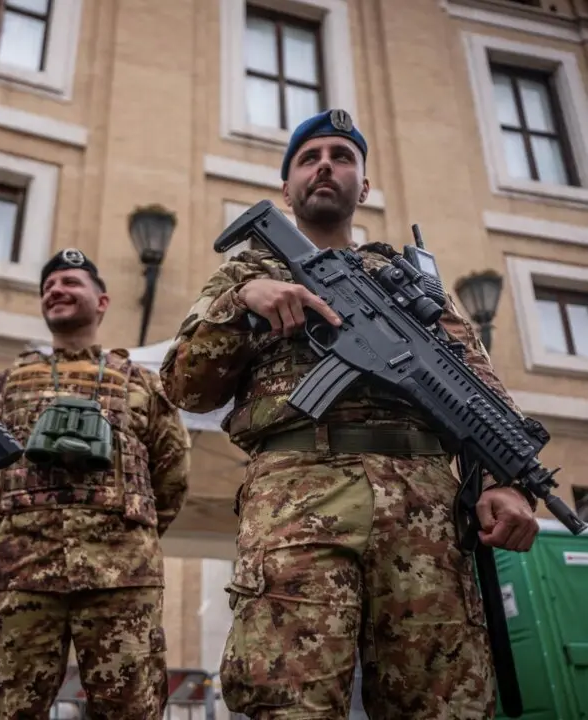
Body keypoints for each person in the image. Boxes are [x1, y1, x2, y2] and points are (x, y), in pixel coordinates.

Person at [159, 109, 540, 720]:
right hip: (297, 492)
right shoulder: (246, 271)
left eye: (341, 156)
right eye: (309, 158)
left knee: (444, 702)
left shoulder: (412, 283)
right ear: (287, 188)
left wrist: (505, 481)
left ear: (364, 186)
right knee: (289, 696)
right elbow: (184, 386)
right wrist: (242, 302)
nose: (325, 166)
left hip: (425, 509)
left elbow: (480, 392)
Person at [0, 248, 191, 719]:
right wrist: (10, 531)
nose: (56, 291)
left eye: (70, 283)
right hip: (21, 574)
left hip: (122, 578)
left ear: (101, 302)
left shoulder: (141, 384)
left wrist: (128, 536)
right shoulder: (5, 385)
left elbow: (172, 473)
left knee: (131, 709)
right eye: (48, 287)